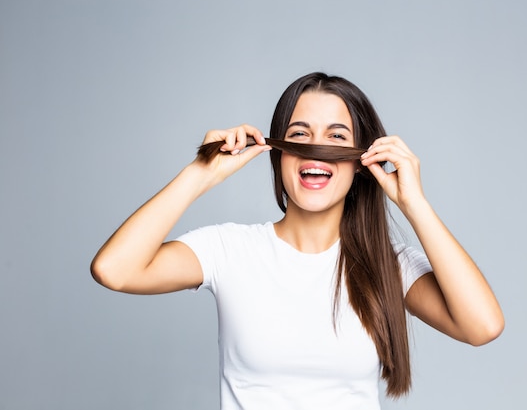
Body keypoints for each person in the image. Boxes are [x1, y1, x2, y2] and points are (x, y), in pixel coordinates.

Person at [91, 72, 504, 409]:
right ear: (279, 153)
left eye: (337, 137)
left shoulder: (388, 265)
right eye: (299, 134)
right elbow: (114, 270)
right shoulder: (228, 251)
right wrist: (200, 175)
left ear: (363, 164)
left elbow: (483, 326)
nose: (316, 151)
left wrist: (414, 204)